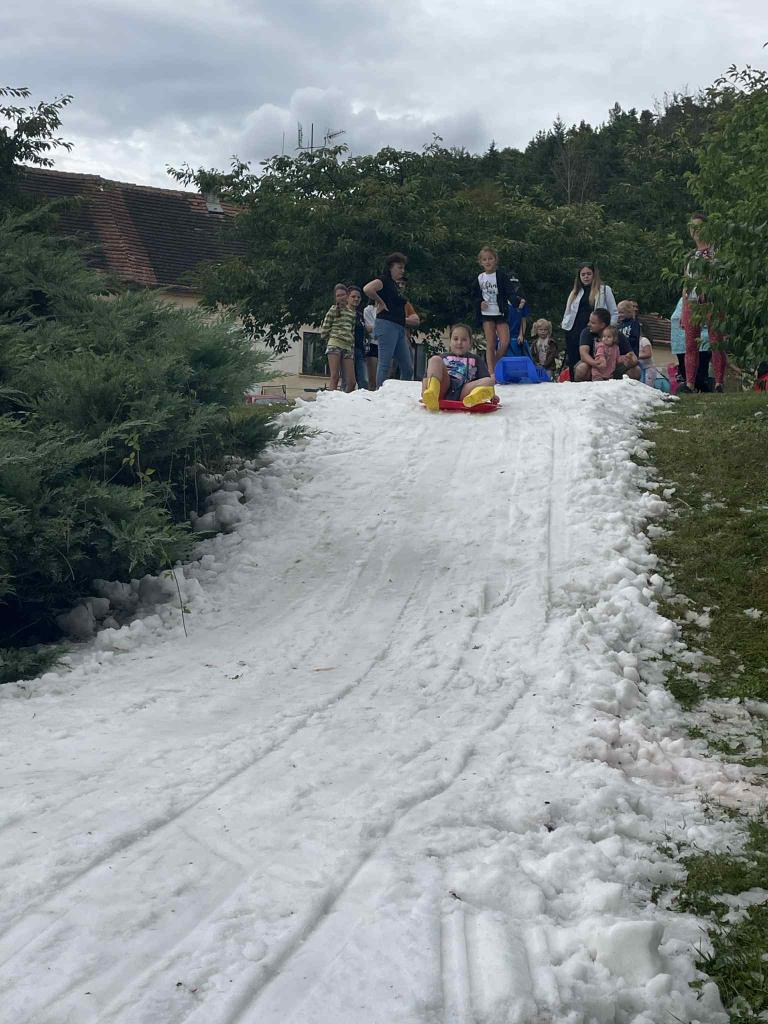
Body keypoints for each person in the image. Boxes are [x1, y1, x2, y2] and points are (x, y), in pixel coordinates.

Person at [678, 213, 728, 394]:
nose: (695, 231)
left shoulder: (717, 253)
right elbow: (686, 283)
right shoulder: (690, 256)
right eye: (692, 227)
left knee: (716, 341)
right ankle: (690, 383)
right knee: (690, 343)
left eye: (698, 226)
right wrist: (683, 309)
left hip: (712, 301)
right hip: (692, 302)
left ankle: (719, 382)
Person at [364, 252, 420, 387]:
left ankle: (401, 391)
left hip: (399, 327)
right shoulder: (383, 280)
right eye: (399, 267)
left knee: (407, 367)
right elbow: (368, 288)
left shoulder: (395, 286)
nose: (402, 270)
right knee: (385, 363)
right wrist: (380, 301)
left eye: (403, 268)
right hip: (387, 325)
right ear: (391, 267)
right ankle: (380, 392)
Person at [471, 246, 526, 377]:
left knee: (505, 342)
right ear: (481, 262)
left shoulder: (501, 276)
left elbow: (509, 292)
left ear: (495, 260)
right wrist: (479, 303)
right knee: (491, 343)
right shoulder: (480, 278)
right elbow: (474, 295)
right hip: (487, 314)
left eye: (490, 258)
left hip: (500, 312)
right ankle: (491, 372)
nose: (488, 261)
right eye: (485, 259)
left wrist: (517, 302)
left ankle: (494, 363)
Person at [561, 263, 618, 379]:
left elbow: (614, 312)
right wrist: (565, 326)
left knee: (594, 359)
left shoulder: (604, 290)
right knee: (574, 360)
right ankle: (574, 383)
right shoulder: (575, 292)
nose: (586, 277)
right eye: (583, 274)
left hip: (594, 331)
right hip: (574, 330)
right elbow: (568, 312)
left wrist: (608, 330)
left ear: (594, 275)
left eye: (588, 274)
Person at [422, 323, 496, 411]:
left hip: (464, 392)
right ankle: (432, 393)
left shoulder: (476, 359)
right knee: (434, 359)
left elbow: (485, 379)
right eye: (455, 339)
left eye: (464, 339)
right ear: (450, 341)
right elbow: (428, 376)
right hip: (444, 387)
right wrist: (424, 390)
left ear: (470, 343)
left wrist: (492, 394)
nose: (459, 343)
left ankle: (475, 397)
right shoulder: (443, 357)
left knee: (489, 380)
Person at [573, 308, 639, 382]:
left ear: (602, 325)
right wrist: (595, 363)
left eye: (593, 323)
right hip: (593, 366)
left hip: (613, 368)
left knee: (635, 371)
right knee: (582, 368)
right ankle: (584, 388)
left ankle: (623, 388)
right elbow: (583, 354)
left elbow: (633, 357)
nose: (588, 324)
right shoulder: (587, 332)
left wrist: (629, 361)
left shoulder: (617, 335)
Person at [320, 283, 356, 392]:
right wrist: (331, 339)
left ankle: (346, 400)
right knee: (335, 376)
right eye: (338, 295)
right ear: (335, 298)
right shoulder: (333, 310)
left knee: (352, 382)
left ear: (347, 295)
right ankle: (331, 399)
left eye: (343, 294)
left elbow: (352, 330)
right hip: (335, 344)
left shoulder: (352, 313)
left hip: (347, 346)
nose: (341, 297)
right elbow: (324, 329)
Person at [346, 285, 368, 390]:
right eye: (353, 296)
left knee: (363, 381)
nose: (356, 299)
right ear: (347, 298)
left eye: (358, 297)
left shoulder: (360, 315)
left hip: (360, 350)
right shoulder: (343, 313)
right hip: (347, 349)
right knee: (348, 381)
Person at [363, 300, 378, 390]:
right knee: (372, 379)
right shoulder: (368, 310)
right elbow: (368, 328)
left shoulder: (389, 309)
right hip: (373, 344)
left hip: (386, 344)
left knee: (386, 378)